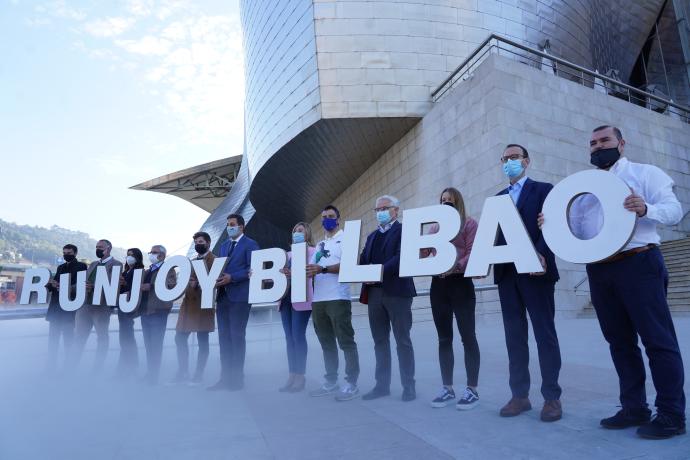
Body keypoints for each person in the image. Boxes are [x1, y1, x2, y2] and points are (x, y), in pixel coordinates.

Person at [555, 125, 685, 438]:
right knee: (620, 343)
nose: (598, 147)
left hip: (639, 263)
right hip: (600, 271)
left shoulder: (645, 173)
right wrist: (552, 223)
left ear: (621, 144)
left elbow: (675, 210)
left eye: (605, 141)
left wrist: (646, 208)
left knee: (658, 340)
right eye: (593, 144)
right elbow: (575, 228)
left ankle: (671, 415)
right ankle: (634, 407)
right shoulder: (585, 192)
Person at [494, 144, 563, 422]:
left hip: (537, 273)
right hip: (508, 277)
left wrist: (542, 254)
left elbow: (553, 224)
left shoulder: (544, 190)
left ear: (527, 161)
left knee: (544, 336)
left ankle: (552, 398)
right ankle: (519, 396)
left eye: (514, 157)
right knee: (514, 338)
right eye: (505, 158)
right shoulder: (498, 198)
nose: (509, 162)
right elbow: (496, 237)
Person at [424, 188, 481, 410]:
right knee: (444, 338)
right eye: (442, 200)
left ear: (458, 203)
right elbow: (423, 254)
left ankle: (472, 390)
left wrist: (454, 265)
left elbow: (472, 250)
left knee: (468, 337)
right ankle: (447, 388)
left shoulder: (469, 224)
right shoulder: (434, 228)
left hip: (460, 283)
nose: (446, 203)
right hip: (438, 285)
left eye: (450, 200)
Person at [359, 195, 417, 402]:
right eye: (377, 210)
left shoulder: (405, 231)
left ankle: (408, 385)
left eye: (385, 208)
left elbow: (402, 258)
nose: (381, 212)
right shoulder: (372, 236)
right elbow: (364, 259)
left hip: (398, 292)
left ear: (396, 210)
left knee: (402, 340)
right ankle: (382, 385)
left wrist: (379, 271)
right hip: (374, 294)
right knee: (379, 341)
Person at [307, 205, 361, 401]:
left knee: (346, 341)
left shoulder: (346, 239)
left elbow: (349, 264)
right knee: (326, 343)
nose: (327, 220)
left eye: (331, 216)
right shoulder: (321, 244)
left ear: (338, 219)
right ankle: (331, 381)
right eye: (324, 217)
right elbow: (310, 268)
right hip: (319, 299)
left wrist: (322, 270)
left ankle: (352, 383)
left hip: (338, 298)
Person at [210, 214, 260, 391]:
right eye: (227, 225)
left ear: (241, 227)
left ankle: (237, 379)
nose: (229, 227)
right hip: (223, 297)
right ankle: (225, 378)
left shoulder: (250, 244)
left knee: (236, 337)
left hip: (240, 297)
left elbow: (254, 269)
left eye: (232, 225)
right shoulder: (223, 246)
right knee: (224, 338)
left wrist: (232, 277)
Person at [170, 232, 216, 386]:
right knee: (179, 337)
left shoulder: (214, 260)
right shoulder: (190, 261)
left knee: (203, 340)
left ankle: (198, 374)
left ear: (208, 243)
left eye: (201, 241)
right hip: (188, 305)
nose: (198, 244)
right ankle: (183, 371)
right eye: (196, 241)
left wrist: (200, 284)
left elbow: (215, 281)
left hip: (203, 305)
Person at [71, 239, 123, 373]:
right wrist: (66, 288)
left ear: (109, 248)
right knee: (78, 337)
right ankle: (71, 368)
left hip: (101, 308)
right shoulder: (93, 264)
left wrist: (95, 286)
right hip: (84, 306)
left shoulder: (116, 264)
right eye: (96, 247)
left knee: (102, 338)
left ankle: (96, 370)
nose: (98, 249)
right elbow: (83, 282)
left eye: (100, 247)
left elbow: (113, 284)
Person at [278, 222, 316, 393]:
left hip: (302, 298)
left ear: (307, 233)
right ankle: (292, 374)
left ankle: (300, 376)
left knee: (298, 336)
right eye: (294, 231)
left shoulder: (313, 251)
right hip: (286, 297)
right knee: (289, 338)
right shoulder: (286, 254)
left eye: (300, 230)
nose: (297, 233)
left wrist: (293, 273)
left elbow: (312, 272)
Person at [45, 244, 87, 373]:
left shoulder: (81, 266)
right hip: (55, 309)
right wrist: (50, 284)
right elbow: (54, 287)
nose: (66, 254)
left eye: (69, 252)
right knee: (53, 341)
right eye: (64, 252)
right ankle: (51, 369)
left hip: (69, 310)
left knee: (68, 341)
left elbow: (80, 285)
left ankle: (67, 370)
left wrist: (62, 285)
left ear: (75, 253)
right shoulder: (61, 267)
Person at [140, 245, 176, 385]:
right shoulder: (148, 270)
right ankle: (150, 373)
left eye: (154, 252)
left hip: (159, 311)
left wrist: (152, 286)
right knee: (148, 344)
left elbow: (172, 284)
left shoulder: (169, 269)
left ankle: (154, 376)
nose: (151, 254)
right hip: (146, 311)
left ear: (162, 254)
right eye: (151, 252)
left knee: (155, 344)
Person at [114, 248, 144, 379]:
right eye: (128, 255)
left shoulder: (139, 271)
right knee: (124, 338)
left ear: (137, 257)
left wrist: (125, 285)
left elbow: (136, 288)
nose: (129, 257)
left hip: (129, 307)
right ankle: (125, 368)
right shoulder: (126, 271)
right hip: (122, 306)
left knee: (127, 337)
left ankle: (130, 367)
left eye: (132, 255)